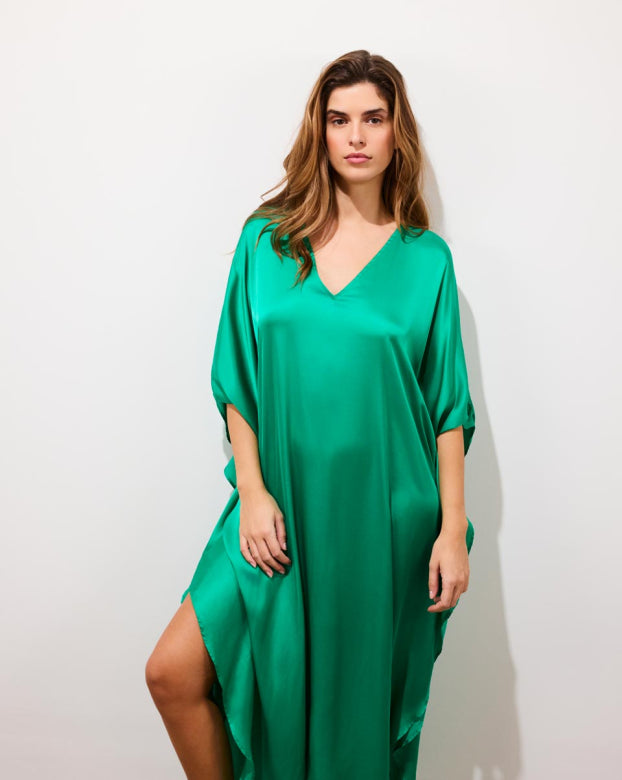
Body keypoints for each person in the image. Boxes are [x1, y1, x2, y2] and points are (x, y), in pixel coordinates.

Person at [146, 49, 477, 780]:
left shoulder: (427, 260)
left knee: (345, 727)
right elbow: (238, 377)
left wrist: (452, 530)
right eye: (339, 119)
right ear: (319, 131)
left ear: (396, 132)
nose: (356, 136)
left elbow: (447, 408)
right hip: (278, 511)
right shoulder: (266, 240)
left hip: (382, 521)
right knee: (172, 674)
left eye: (373, 118)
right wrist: (252, 490)